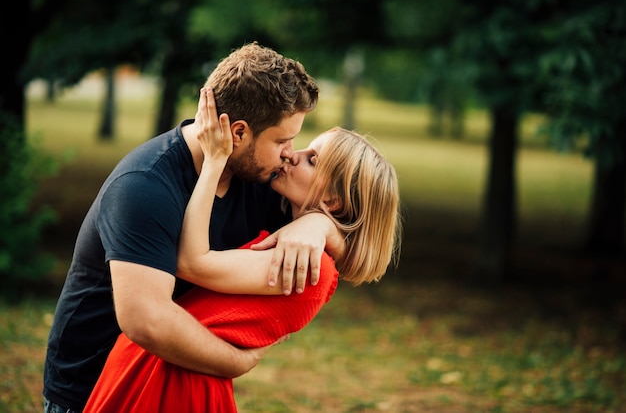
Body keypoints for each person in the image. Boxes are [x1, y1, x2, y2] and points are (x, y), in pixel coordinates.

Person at [43, 42, 345, 413]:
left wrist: (319, 226)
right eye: (282, 140)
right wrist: (236, 361)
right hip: (95, 390)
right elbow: (147, 322)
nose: (290, 152)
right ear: (238, 133)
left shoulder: (260, 176)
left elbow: (351, 247)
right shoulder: (145, 186)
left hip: (177, 385)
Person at [83, 87, 402, 412]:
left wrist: (213, 163)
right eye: (293, 143)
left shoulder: (306, 265)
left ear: (333, 201)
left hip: (178, 380)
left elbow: (193, 263)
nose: (292, 154)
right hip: (168, 370)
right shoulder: (281, 207)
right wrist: (323, 227)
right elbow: (358, 245)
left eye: (312, 159)